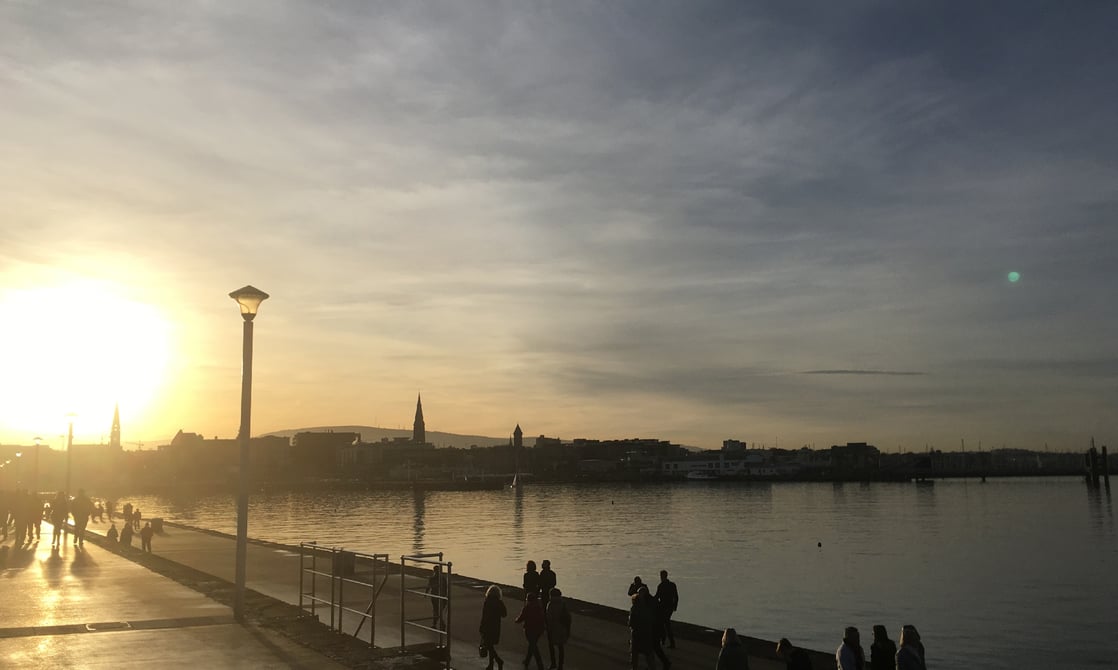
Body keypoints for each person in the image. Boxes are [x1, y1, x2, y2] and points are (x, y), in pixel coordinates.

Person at [629, 585, 670, 670]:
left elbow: (632, 623)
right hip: (650, 630)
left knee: (640, 652)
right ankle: (659, 664)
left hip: (645, 632)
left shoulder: (638, 607)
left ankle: (664, 663)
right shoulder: (651, 602)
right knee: (650, 651)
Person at [515, 591, 546, 670]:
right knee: (532, 645)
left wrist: (516, 620)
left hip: (529, 629)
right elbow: (542, 619)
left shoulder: (527, 607)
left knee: (533, 646)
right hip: (538, 630)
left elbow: (521, 618)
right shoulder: (539, 607)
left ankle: (540, 664)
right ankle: (527, 661)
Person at [479, 585, 507, 670]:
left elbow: (484, 615)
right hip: (495, 626)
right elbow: (504, 614)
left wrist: (481, 626)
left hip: (487, 626)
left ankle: (498, 661)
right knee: (490, 645)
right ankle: (492, 664)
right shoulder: (499, 602)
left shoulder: (487, 601)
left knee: (489, 645)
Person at [545, 587, 572, 670]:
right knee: (561, 647)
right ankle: (560, 665)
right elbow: (568, 616)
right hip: (562, 627)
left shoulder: (550, 604)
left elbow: (549, 618)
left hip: (553, 628)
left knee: (551, 646)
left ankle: (553, 663)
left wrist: (548, 629)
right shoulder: (563, 603)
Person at [654, 569, 679, 648]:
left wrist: (651, 601)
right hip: (669, 607)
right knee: (665, 623)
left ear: (662, 576)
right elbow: (676, 597)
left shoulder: (661, 586)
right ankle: (667, 641)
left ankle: (666, 640)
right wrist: (675, 606)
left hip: (663, 607)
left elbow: (657, 597)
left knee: (664, 624)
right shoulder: (672, 585)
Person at [425, 564, 448, 629]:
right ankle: (439, 623)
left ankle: (437, 624)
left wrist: (426, 593)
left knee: (436, 611)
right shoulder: (442, 578)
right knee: (438, 611)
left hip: (436, 596)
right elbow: (445, 588)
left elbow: (428, 586)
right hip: (439, 596)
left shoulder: (433, 579)